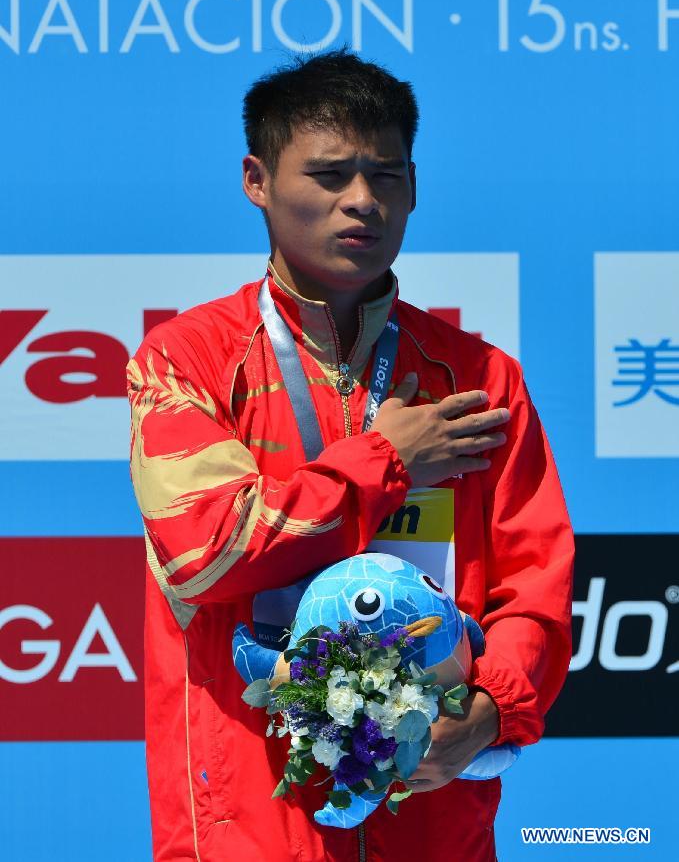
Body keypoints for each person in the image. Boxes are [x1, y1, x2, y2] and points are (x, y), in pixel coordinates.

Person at [126, 50, 574, 862]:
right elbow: (208, 555)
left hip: (435, 822)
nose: (361, 202)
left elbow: (534, 591)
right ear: (256, 179)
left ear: (414, 184)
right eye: (329, 175)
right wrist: (383, 462)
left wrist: (487, 711)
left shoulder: (478, 379)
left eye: (386, 174)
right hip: (248, 829)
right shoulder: (184, 361)